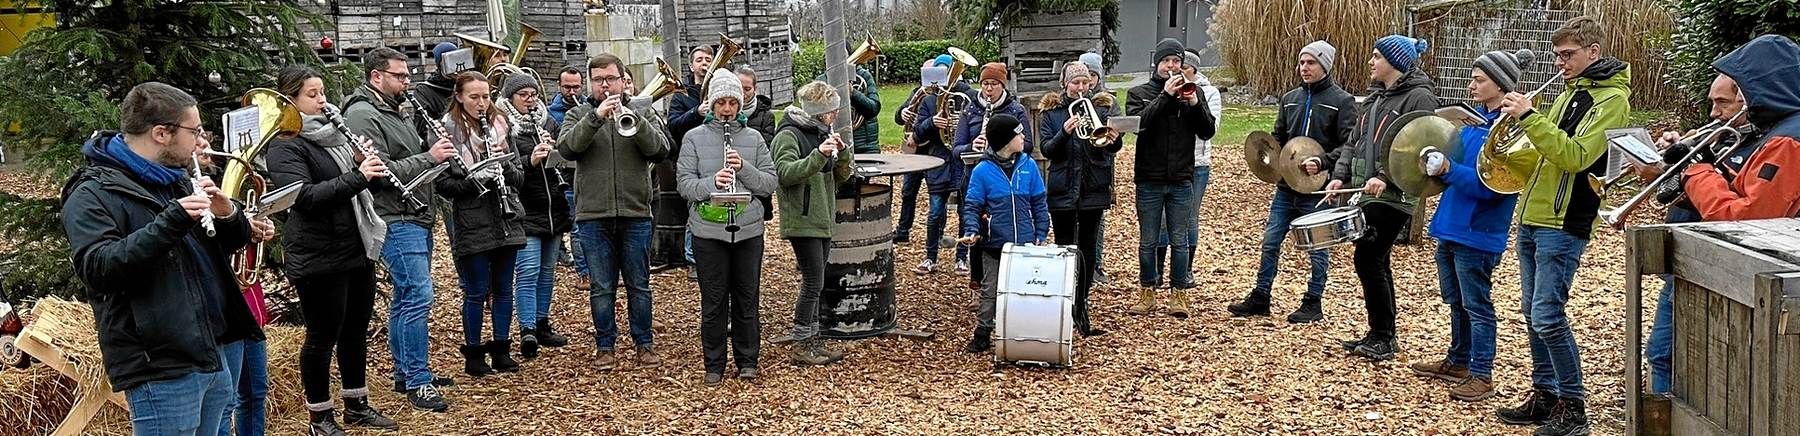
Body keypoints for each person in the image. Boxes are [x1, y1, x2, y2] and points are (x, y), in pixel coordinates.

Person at [61, 82, 267, 436]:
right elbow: (98, 268)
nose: (200, 140)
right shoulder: (92, 192)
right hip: (160, 361)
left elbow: (221, 249)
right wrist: (172, 221)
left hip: (210, 350)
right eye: (194, 131)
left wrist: (227, 214)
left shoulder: (174, 179)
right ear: (161, 133)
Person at [1489, 17, 1631, 436]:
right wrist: (1500, 149)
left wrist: (1530, 116)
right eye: (1557, 55)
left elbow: (1577, 156)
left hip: (1565, 221)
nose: (1560, 63)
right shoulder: (1569, 92)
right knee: (1533, 314)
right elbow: (1540, 154)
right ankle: (1545, 394)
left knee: (1548, 316)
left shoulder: (1611, 101)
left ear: (1594, 52)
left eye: (1568, 55)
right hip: (1533, 216)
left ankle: (1574, 408)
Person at [264, 65, 400, 435]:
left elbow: (344, 184)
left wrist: (359, 164)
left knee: (355, 329)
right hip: (318, 252)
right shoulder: (284, 145)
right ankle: (320, 417)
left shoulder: (335, 138)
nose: (323, 100)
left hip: (353, 245)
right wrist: (358, 176)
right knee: (322, 337)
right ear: (289, 101)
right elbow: (303, 198)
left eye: (323, 92)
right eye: (312, 94)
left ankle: (357, 404)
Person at [1638, 40, 1764, 398]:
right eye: (1712, 102)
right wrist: (1672, 159)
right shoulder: (1727, 136)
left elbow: (1732, 208)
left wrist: (1696, 166)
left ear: (1746, 100)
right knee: (1663, 354)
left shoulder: (1759, 142)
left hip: (1710, 261)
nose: (1713, 113)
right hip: (1686, 256)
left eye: (1721, 103)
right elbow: (1682, 189)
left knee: (1665, 355)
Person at [1409, 50, 1533, 402]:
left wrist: (1447, 169)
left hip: (1478, 232)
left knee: (1477, 305)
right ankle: (1458, 360)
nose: (1472, 85)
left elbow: (1492, 185)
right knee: (1456, 301)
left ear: (1501, 84)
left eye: (1479, 80)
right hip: (1451, 225)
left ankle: (1482, 373)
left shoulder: (1511, 132)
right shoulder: (1474, 123)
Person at [342, 47, 458, 412]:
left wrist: (429, 150)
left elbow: (405, 157)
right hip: (395, 216)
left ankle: (405, 372)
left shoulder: (396, 109)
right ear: (377, 77)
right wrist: (430, 156)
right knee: (418, 295)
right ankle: (418, 382)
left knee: (407, 296)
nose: (408, 82)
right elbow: (383, 171)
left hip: (414, 213)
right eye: (401, 75)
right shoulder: (362, 115)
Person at [1322, 34, 1440, 362]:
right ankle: (1380, 333)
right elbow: (1353, 142)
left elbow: (1420, 144)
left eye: (1377, 56)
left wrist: (1385, 177)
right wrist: (1339, 177)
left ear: (1395, 62)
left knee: (1368, 257)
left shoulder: (1419, 97)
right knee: (1375, 258)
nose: (1371, 62)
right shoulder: (1374, 98)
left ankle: (1383, 336)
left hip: (1395, 193)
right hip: (1365, 191)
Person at [1228, 40, 1356, 323]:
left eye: (1311, 62)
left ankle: (1313, 301)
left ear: (1325, 65)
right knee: (1271, 241)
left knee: (1317, 247)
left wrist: (1323, 161)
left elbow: (1349, 144)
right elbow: (1279, 137)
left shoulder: (1341, 101)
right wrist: (1267, 156)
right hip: (1286, 187)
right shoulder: (1289, 99)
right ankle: (1261, 296)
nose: (1304, 68)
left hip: (1316, 190)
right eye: (1301, 62)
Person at [558, 54, 669, 371]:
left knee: (639, 284)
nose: (604, 85)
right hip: (594, 215)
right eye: (598, 80)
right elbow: (567, 149)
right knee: (601, 286)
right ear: (591, 83)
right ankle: (605, 345)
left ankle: (644, 343)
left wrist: (634, 117)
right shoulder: (579, 113)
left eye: (610, 79)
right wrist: (595, 118)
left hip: (635, 212)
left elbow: (661, 150)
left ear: (623, 80)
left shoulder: (641, 111)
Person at [677, 69, 779, 385]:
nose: (726, 109)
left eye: (732, 102)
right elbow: (684, 185)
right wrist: (711, 183)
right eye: (720, 102)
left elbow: (770, 182)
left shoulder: (753, 138)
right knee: (714, 301)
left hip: (747, 231)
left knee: (747, 298)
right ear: (711, 103)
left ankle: (748, 360)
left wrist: (743, 168)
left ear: (739, 103)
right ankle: (714, 364)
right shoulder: (693, 138)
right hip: (708, 232)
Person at [434, 72, 527, 377]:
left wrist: (504, 164)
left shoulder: (501, 125)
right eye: (474, 97)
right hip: (472, 220)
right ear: (459, 96)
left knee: (503, 288)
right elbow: (444, 186)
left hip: (505, 217)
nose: (482, 103)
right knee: (476, 290)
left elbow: (519, 177)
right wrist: (476, 181)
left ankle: (502, 348)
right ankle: (473, 354)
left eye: (486, 97)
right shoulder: (445, 130)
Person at [1125, 38, 1217, 318]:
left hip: (1181, 178)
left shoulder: (1194, 93)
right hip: (1149, 178)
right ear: (1158, 64)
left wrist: (1195, 103)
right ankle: (1148, 291)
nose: (1172, 66)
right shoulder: (1138, 92)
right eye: (1167, 61)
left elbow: (1208, 131)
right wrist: (1165, 96)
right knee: (1148, 240)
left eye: (1176, 62)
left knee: (1180, 239)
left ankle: (1179, 295)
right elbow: (1140, 125)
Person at [772, 81, 856, 366]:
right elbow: (784, 174)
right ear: (818, 113)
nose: (835, 116)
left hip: (822, 218)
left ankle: (814, 339)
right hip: (803, 219)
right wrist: (818, 154)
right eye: (831, 112)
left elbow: (840, 178)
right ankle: (800, 343)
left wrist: (841, 154)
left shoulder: (824, 132)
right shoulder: (789, 134)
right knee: (812, 283)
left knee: (816, 284)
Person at [1036, 61, 1121, 337]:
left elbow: (1113, 148)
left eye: (1085, 82)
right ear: (1065, 84)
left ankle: (1081, 304)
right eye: (1076, 83)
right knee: (1064, 249)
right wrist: (1066, 131)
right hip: (1062, 189)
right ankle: (1063, 303)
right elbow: (1048, 150)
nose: (1081, 88)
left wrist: (1114, 138)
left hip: (1093, 187)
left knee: (1087, 249)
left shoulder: (1101, 108)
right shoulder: (1051, 112)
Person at [957, 113, 1051, 353]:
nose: (1023, 138)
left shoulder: (1028, 165)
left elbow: (1040, 202)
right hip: (995, 244)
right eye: (1018, 134)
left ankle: (1021, 331)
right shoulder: (982, 171)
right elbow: (972, 206)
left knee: (1025, 288)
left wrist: (1041, 231)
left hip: (1025, 243)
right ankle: (982, 332)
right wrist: (971, 229)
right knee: (990, 289)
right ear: (1005, 141)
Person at [501, 74, 572, 360]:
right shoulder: (505, 127)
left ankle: (542, 323)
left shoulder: (548, 122)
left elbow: (566, 154)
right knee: (527, 273)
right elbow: (506, 168)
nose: (530, 100)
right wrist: (529, 162)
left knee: (547, 272)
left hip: (553, 207)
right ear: (511, 99)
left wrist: (556, 150)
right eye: (523, 95)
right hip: (526, 209)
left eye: (533, 94)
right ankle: (527, 328)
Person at [952, 62, 1030, 288]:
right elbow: (956, 149)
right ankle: (977, 281)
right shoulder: (971, 110)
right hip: (975, 175)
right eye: (985, 84)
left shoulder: (1015, 110)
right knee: (974, 227)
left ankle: (1007, 284)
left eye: (994, 84)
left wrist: (999, 145)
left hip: (1005, 177)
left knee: (1004, 228)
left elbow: (1028, 145)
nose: (988, 89)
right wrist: (971, 146)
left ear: (1002, 85)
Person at [900, 56, 976, 273]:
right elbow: (915, 133)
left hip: (962, 162)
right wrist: (932, 122)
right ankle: (930, 257)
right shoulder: (929, 100)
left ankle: (961, 258)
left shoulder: (968, 96)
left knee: (965, 212)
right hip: (938, 162)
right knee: (934, 213)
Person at [817, 61, 881, 154]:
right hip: (834, 145)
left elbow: (873, 109)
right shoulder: (822, 80)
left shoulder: (864, 76)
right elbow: (815, 115)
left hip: (865, 146)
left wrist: (853, 92)